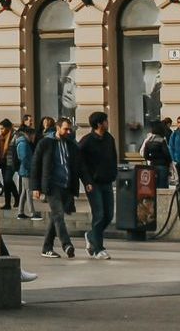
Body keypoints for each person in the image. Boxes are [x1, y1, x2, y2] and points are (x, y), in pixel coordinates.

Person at [33, 116, 77, 260]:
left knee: (55, 218)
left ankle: (47, 247)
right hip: (52, 185)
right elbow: (36, 164)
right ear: (58, 128)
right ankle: (67, 244)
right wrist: (36, 187)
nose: (68, 132)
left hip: (66, 184)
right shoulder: (46, 143)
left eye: (69, 129)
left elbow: (77, 164)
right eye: (65, 129)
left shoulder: (70, 143)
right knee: (58, 214)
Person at [76, 111, 117, 260]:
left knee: (109, 215)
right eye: (105, 121)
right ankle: (98, 248)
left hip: (107, 181)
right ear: (99, 124)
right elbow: (79, 163)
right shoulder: (86, 141)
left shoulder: (109, 139)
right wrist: (87, 181)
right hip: (93, 183)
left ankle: (91, 235)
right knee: (98, 214)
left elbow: (113, 158)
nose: (108, 123)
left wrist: (114, 175)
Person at [12, 120, 36, 219]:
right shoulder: (23, 143)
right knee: (28, 191)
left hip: (25, 169)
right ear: (29, 135)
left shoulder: (23, 142)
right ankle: (32, 213)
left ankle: (20, 212)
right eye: (33, 135)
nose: (34, 138)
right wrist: (30, 169)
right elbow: (24, 158)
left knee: (24, 192)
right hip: (26, 170)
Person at [141, 118, 173, 189]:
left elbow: (145, 155)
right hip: (163, 165)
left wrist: (151, 159)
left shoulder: (148, 142)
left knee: (154, 185)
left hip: (153, 165)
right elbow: (166, 154)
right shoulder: (162, 141)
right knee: (163, 185)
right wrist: (169, 161)